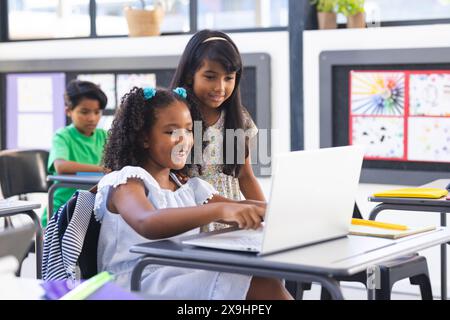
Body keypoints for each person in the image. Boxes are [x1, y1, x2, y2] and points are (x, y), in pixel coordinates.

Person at [96, 86, 292, 300]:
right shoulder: (127, 181)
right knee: (260, 285)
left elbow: (242, 208)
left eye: (189, 130)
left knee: (265, 280)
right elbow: (147, 222)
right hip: (134, 283)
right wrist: (221, 210)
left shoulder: (187, 187)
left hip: (179, 274)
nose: (184, 140)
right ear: (144, 138)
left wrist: (284, 211)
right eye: (171, 132)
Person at [171, 29, 265, 231]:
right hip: (188, 221)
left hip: (231, 223)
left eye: (228, 78)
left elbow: (245, 177)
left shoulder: (239, 118)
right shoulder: (175, 117)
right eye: (210, 76)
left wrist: (266, 216)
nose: (220, 87)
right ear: (190, 76)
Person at [42, 79, 108, 227]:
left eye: (97, 112)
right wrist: (103, 170)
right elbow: (61, 167)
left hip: (93, 210)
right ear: (68, 111)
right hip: (62, 211)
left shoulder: (104, 136)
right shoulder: (63, 136)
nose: (92, 118)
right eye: (84, 112)